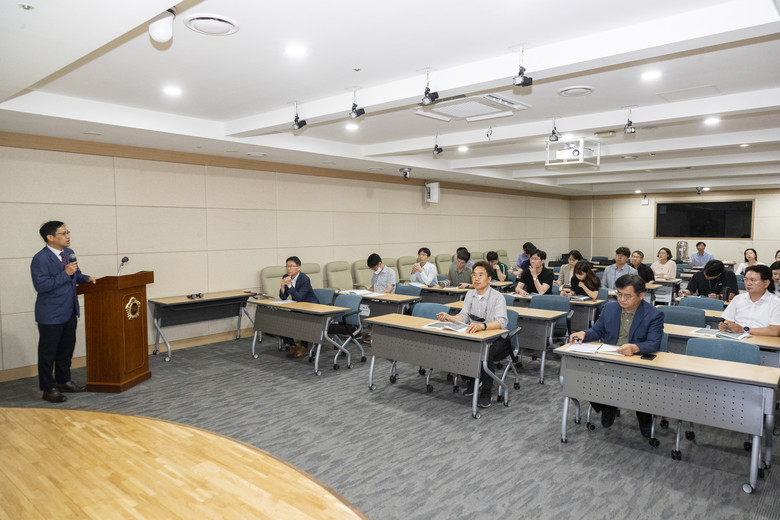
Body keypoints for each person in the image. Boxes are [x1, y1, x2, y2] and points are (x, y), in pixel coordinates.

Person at [569, 274, 664, 438]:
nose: (622, 299)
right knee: (583, 376)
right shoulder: (610, 308)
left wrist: (635, 347)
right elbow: (598, 331)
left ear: (641, 295)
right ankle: (607, 407)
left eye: (627, 296)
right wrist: (584, 333)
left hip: (636, 362)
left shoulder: (654, 314)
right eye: (619, 294)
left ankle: (644, 416)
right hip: (610, 358)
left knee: (642, 387)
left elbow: (654, 343)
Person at [31, 220, 97, 403]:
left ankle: (63, 381)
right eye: (63, 233)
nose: (68, 236)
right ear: (50, 237)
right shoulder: (40, 258)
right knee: (48, 353)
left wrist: (86, 278)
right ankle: (48, 388)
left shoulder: (68, 253)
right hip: (50, 314)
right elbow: (41, 285)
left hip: (69, 310)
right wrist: (65, 273)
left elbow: (76, 275)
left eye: (68, 232)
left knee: (66, 350)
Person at [436, 261, 508, 408]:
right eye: (474, 275)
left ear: (489, 279)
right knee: (458, 345)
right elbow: (464, 316)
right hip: (475, 335)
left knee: (485, 352)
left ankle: (486, 391)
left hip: (497, 339)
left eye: (481, 275)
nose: (476, 278)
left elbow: (502, 322)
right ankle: (471, 380)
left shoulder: (498, 297)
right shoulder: (470, 294)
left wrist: (482, 326)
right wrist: (450, 318)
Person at [719, 265, 780, 337]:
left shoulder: (776, 302)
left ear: (766, 283)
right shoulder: (738, 299)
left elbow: (775, 331)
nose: (748, 283)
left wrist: (744, 330)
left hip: (761, 340)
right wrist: (726, 326)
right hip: (736, 338)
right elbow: (728, 321)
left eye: (752, 280)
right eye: (746, 279)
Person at [279, 256, 319, 358]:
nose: (289, 269)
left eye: (291, 266)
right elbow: (283, 297)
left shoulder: (304, 279)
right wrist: (282, 286)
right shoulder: (286, 276)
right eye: (287, 266)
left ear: (299, 267)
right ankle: (292, 345)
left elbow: (300, 297)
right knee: (282, 319)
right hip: (298, 306)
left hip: (310, 306)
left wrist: (289, 285)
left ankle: (303, 346)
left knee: (303, 321)